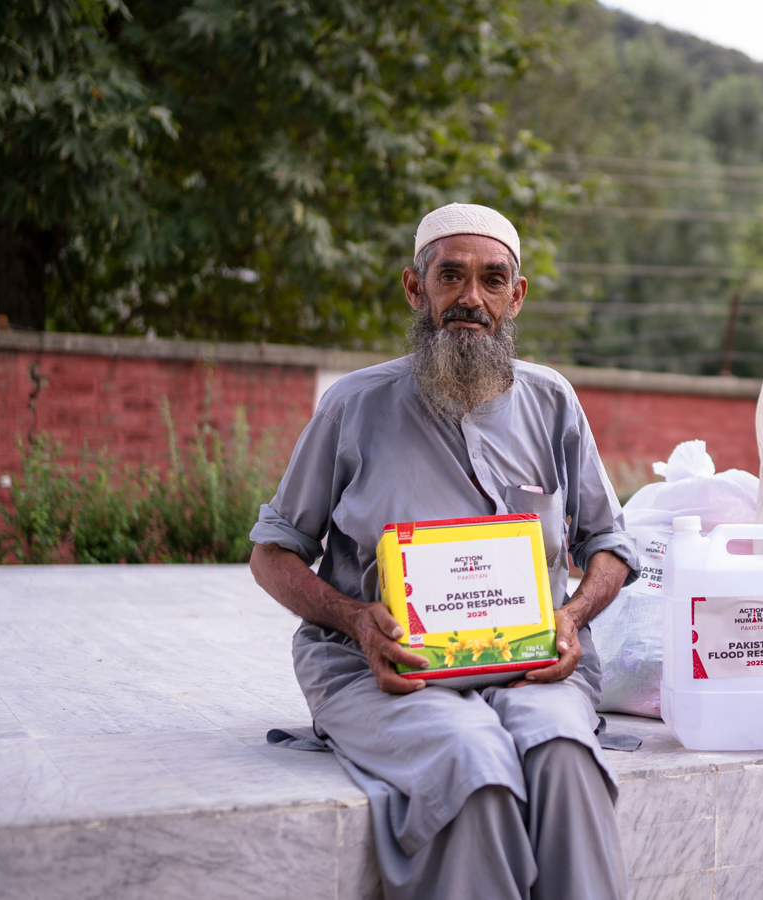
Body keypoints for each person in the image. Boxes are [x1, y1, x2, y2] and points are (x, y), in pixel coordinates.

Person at [249, 202, 639, 900]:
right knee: (472, 762)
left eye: (492, 280)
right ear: (414, 286)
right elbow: (272, 554)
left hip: (531, 666)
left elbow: (609, 544)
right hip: (378, 670)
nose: (470, 298)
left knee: (563, 754)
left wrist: (572, 617)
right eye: (450, 275)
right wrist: (356, 619)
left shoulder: (552, 402)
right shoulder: (354, 405)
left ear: (515, 297)